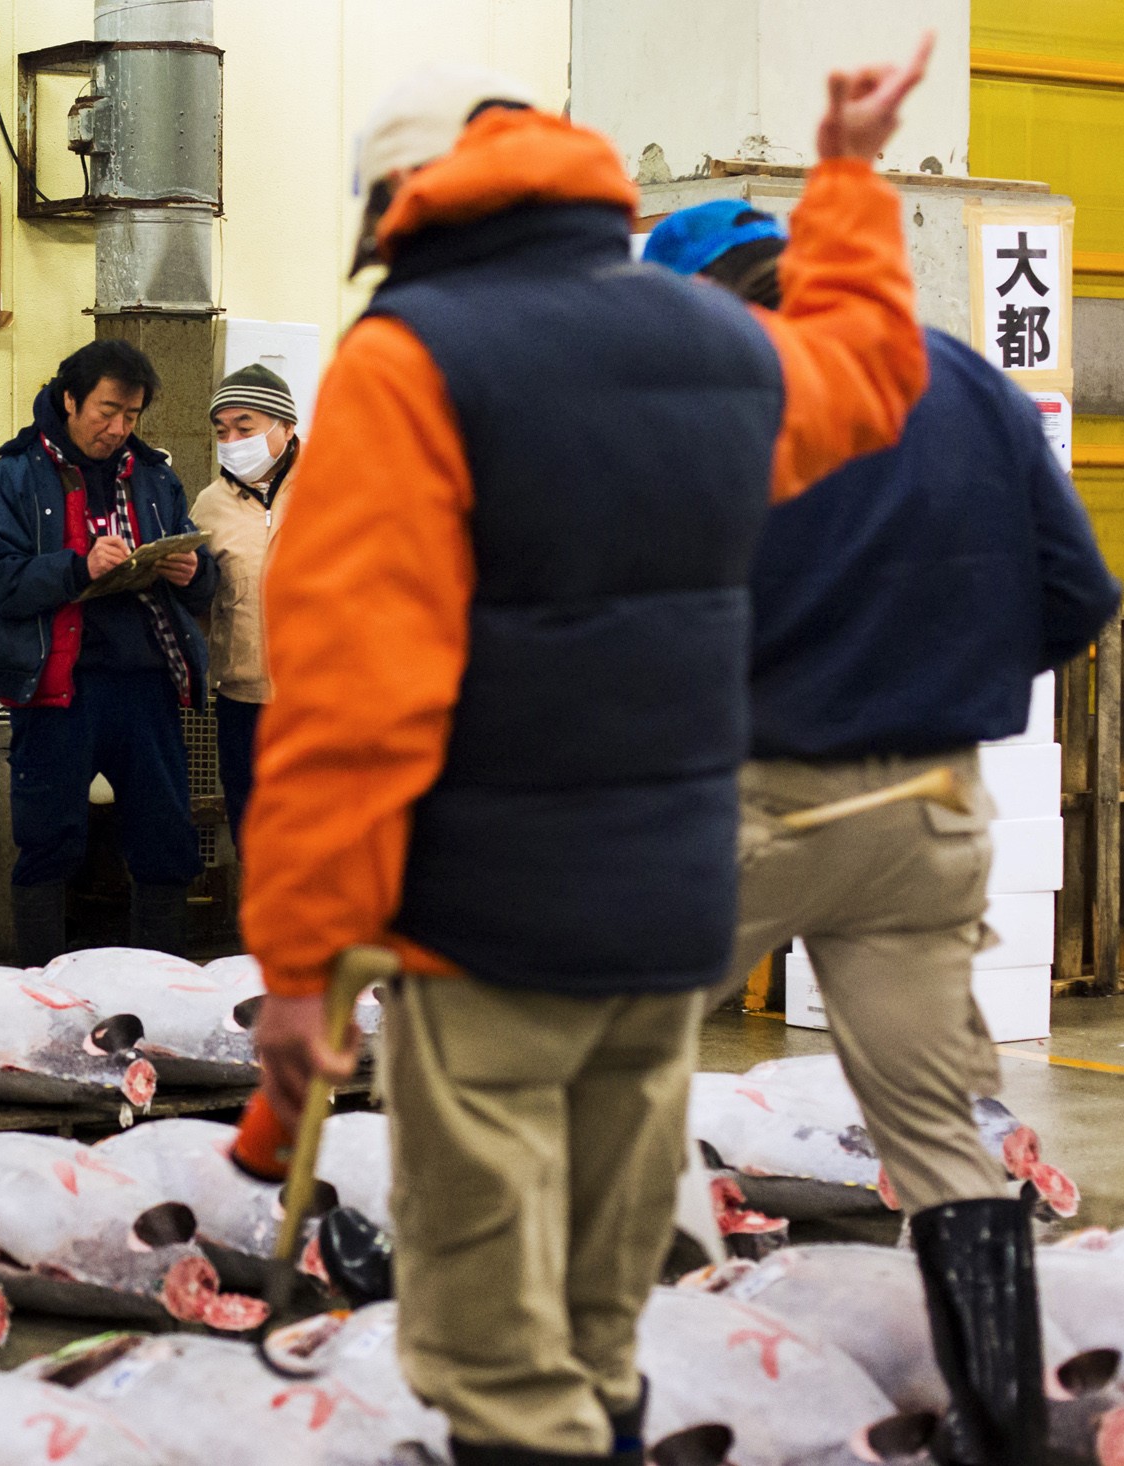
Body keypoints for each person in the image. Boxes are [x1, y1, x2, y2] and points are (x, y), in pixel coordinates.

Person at [242, 43, 932, 1466]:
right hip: (671, 920)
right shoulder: (711, 339)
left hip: (492, 934)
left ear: (399, 211)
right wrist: (850, 181)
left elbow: (351, 707)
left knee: (500, 1355)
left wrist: (304, 963)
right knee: (600, 1315)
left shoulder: (407, 358)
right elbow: (870, 376)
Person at [649, 198, 1120, 1464]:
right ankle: (1003, 1434)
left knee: (599, 1060)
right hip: (929, 809)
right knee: (935, 1129)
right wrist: (933, 687)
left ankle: (657, 1362)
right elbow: (1080, 593)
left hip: (749, 800)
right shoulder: (960, 372)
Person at [0, 339, 218, 964]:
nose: (118, 428)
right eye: (107, 411)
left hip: (146, 685)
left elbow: (206, 583)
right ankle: (38, 989)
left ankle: (162, 986)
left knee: (164, 840)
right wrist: (77, 568)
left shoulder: (154, 475)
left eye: (131, 416)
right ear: (70, 399)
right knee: (49, 841)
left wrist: (193, 572)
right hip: (58, 686)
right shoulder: (14, 475)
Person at [191, 363, 300, 842]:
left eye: (245, 427)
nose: (232, 440)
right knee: (253, 835)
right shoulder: (209, 505)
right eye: (222, 430)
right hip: (242, 701)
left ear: (286, 427)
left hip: (319, 702)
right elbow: (197, 604)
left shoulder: (339, 485)